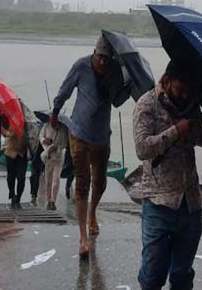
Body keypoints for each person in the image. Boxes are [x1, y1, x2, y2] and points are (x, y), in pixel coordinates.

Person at [133, 59, 202, 290]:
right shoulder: (146, 105)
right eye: (179, 89)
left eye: (188, 91)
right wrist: (175, 131)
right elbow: (142, 149)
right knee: (153, 275)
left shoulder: (191, 106)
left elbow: (200, 136)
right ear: (166, 81)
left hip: (190, 203)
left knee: (182, 274)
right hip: (158, 203)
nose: (184, 95)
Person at [51, 34, 131, 257]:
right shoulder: (81, 65)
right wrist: (55, 112)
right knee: (82, 184)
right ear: (94, 53)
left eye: (107, 58)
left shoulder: (115, 70)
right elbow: (65, 90)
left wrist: (128, 85)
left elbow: (117, 100)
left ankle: (92, 213)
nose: (103, 62)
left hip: (102, 137)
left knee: (101, 182)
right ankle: (83, 238)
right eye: (100, 57)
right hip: (79, 134)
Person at [39, 117, 69, 210]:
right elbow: (41, 137)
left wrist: (57, 147)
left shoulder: (63, 128)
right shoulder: (46, 125)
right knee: (48, 180)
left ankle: (53, 201)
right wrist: (45, 141)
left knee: (56, 179)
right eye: (51, 120)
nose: (52, 123)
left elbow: (65, 142)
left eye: (54, 121)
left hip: (59, 157)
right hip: (48, 156)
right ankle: (48, 200)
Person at [2, 117, 28, 210]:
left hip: (22, 153)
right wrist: (10, 133)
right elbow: (4, 133)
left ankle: (18, 199)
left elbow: (31, 136)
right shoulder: (9, 119)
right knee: (10, 177)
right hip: (10, 152)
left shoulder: (26, 122)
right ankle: (12, 195)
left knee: (21, 178)